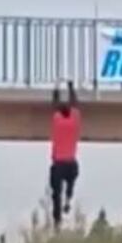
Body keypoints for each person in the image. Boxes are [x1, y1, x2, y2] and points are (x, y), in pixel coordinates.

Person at [49, 81, 81, 230]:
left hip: (59, 164)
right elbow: (74, 103)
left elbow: (55, 104)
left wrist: (55, 89)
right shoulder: (74, 120)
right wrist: (70, 87)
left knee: (56, 193)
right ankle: (68, 198)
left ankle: (57, 220)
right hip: (71, 163)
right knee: (71, 181)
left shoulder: (57, 120)